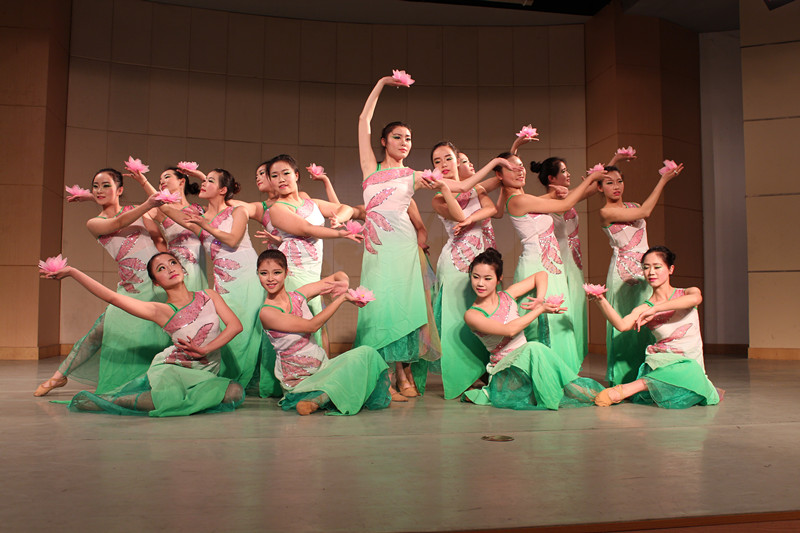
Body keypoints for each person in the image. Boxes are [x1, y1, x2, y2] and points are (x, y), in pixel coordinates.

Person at [353, 74, 517, 398]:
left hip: (404, 248)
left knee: (404, 309)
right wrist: (383, 83)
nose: (404, 142)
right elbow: (363, 120)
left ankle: (402, 373)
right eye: (397, 137)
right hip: (377, 250)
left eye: (409, 138)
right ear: (383, 141)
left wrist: (497, 163)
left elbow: (463, 186)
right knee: (378, 308)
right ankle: (384, 376)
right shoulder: (370, 169)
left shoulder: (414, 175)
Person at [40, 252, 244, 416]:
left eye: (173, 263)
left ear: (182, 268)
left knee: (234, 392)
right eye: (161, 268)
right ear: (156, 283)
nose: (170, 269)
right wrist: (73, 272)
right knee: (171, 400)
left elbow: (235, 326)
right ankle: (113, 401)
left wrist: (205, 349)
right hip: (174, 370)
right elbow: (112, 298)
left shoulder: (209, 295)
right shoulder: (160, 311)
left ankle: (182, 398)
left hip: (206, 372)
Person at [35, 168, 172, 396]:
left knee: (166, 332)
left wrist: (163, 272)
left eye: (106, 185)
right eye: (95, 186)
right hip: (130, 288)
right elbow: (118, 222)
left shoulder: (138, 211)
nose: (99, 190)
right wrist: (146, 204)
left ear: (120, 189)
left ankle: (162, 378)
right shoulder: (94, 223)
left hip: (157, 283)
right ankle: (59, 377)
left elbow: (159, 241)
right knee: (99, 332)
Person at [495, 152, 605, 373]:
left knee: (556, 319)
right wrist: (592, 178)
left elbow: (565, 198)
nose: (520, 171)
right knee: (540, 323)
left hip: (552, 266)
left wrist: (558, 192)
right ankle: (540, 372)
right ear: (500, 175)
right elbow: (566, 205)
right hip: (536, 265)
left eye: (520, 166)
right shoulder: (516, 200)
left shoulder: (528, 198)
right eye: (512, 169)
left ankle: (558, 371)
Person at [159, 168, 266, 390]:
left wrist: (203, 225)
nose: (203, 183)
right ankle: (229, 378)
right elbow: (166, 208)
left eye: (209, 180)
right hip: (223, 281)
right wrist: (157, 194)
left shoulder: (237, 211)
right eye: (204, 179)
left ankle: (247, 380)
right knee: (225, 326)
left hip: (247, 276)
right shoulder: (199, 218)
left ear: (223, 190)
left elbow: (233, 240)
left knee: (248, 327)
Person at [462, 249, 602, 409]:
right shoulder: (472, 315)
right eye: (475, 277)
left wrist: (539, 299)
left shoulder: (507, 296)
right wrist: (540, 309)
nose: (480, 283)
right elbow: (509, 330)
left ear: (499, 278)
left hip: (528, 365)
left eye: (487, 278)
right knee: (534, 348)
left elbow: (541, 275)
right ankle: (578, 394)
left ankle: (584, 393)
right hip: (506, 374)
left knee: (536, 352)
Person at [257, 250, 392, 414]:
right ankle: (316, 399)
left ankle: (321, 398)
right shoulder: (267, 313)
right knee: (347, 378)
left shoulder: (298, 296)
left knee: (367, 353)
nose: (270, 279)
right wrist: (342, 299)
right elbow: (312, 326)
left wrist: (343, 284)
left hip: (322, 369)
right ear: (258, 275)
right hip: (299, 380)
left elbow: (338, 276)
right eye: (264, 273)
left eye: (277, 272)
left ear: (286, 273)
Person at [589, 246, 720, 408]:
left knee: (693, 374)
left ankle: (633, 387)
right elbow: (622, 325)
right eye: (646, 268)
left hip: (690, 366)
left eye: (657, 267)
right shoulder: (645, 307)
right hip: (662, 363)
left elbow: (695, 299)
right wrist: (600, 301)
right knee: (689, 376)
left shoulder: (687, 293)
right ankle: (630, 388)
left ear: (671, 269)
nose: (651, 272)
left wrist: (656, 309)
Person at [599, 160, 683, 385]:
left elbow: (642, 211)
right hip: (623, 274)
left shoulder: (633, 205)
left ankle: (647, 375)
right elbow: (646, 211)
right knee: (625, 322)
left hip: (646, 270)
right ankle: (622, 378)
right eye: (609, 183)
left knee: (647, 320)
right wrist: (663, 180)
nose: (616, 186)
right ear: (600, 187)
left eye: (619, 181)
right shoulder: (606, 212)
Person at [430, 141, 497, 399]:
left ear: (457, 160)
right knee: (457, 321)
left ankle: (484, 371)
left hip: (483, 259)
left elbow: (493, 209)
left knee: (484, 316)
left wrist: (471, 219)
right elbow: (458, 215)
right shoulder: (438, 198)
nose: (444, 165)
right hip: (456, 262)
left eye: (448, 158)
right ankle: (461, 377)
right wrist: (446, 188)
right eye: (437, 162)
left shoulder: (476, 188)